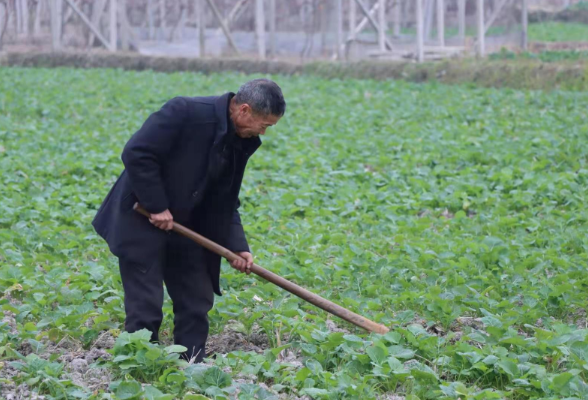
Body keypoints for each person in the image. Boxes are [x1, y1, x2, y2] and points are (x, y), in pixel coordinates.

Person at [92, 78, 286, 362]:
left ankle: (192, 365)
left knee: (196, 298)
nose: (263, 132)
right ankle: (139, 366)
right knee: (145, 305)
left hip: (189, 227)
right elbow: (137, 152)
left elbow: (225, 199)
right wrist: (156, 205)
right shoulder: (185, 112)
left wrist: (236, 246)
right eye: (265, 125)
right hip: (140, 216)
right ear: (244, 110)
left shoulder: (239, 142)